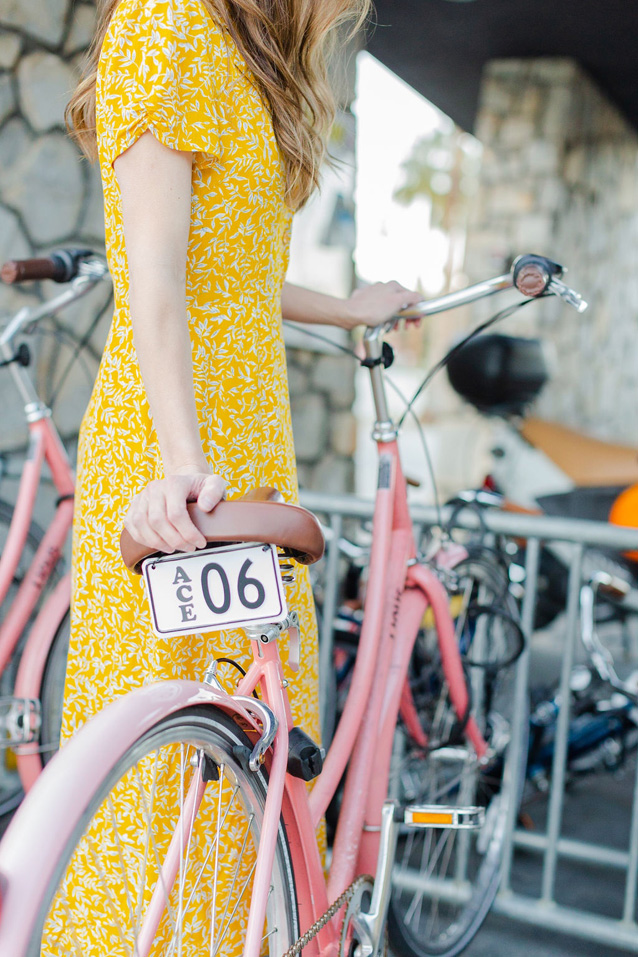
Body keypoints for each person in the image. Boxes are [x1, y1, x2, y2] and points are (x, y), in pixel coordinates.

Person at [48, 0, 422, 951]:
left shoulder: (240, 56)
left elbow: (234, 270)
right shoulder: (166, 25)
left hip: (243, 441)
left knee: (249, 742)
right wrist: (182, 469)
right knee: (166, 754)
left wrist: (346, 308)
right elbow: (159, 283)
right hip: (173, 450)